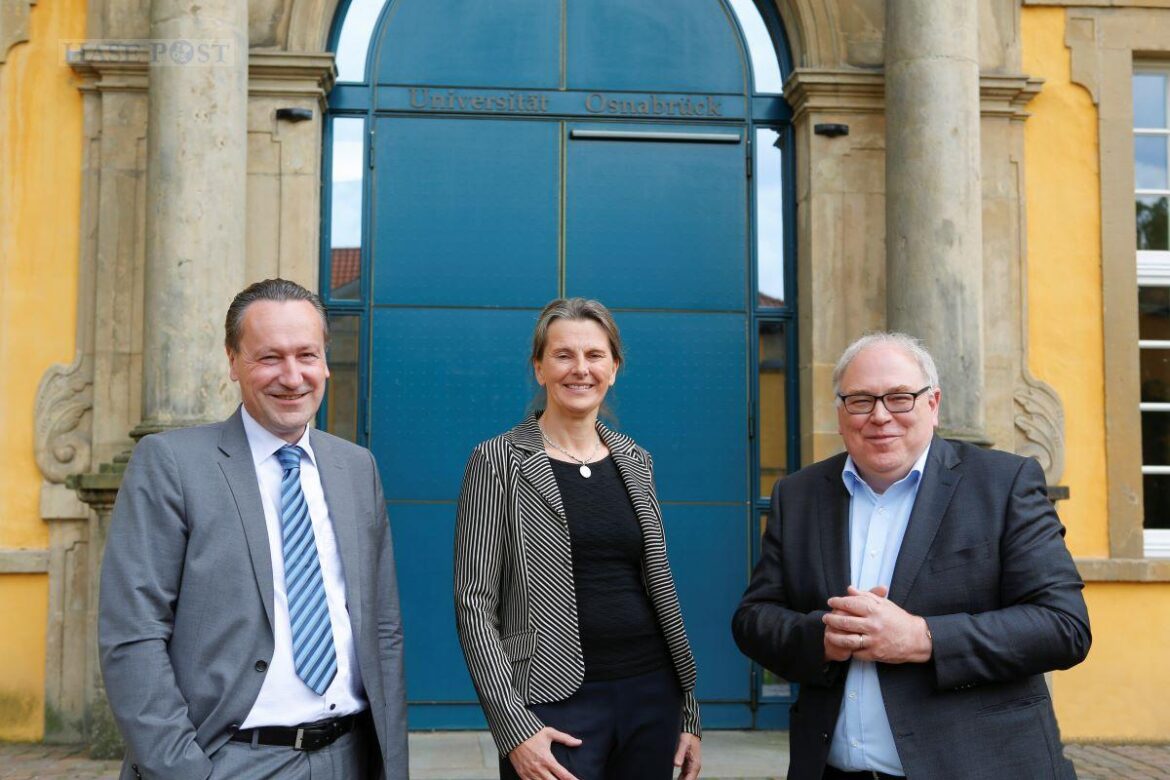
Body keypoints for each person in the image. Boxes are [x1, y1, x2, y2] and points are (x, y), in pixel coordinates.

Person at [732, 332, 1091, 780]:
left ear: (933, 404)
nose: (880, 416)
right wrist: (820, 638)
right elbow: (754, 619)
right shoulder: (799, 494)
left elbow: (1064, 626)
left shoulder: (1004, 484)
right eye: (860, 400)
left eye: (900, 398)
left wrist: (923, 638)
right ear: (841, 412)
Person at [99, 279, 408, 780]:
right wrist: (182, 770)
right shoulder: (172, 464)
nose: (292, 377)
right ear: (233, 362)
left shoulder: (356, 467)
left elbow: (382, 629)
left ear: (325, 361)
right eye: (269, 358)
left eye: (306, 355)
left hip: (348, 756)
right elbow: (132, 634)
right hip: (230, 759)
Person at [454, 298, 702, 780]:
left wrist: (688, 710)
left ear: (614, 367)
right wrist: (513, 727)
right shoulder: (497, 461)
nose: (580, 369)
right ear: (539, 367)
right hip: (553, 702)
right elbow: (474, 603)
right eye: (563, 355)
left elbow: (659, 590)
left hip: (652, 694)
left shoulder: (636, 460)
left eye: (595, 355)